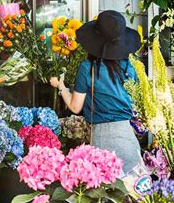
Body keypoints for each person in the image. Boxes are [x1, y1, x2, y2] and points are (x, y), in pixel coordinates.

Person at [50, 10, 142, 173]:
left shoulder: (88, 68)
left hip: (103, 141)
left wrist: (61, 86)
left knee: (104, 195)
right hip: (129, 139)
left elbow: (75, 107)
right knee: (133, 195)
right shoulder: (130, 68)